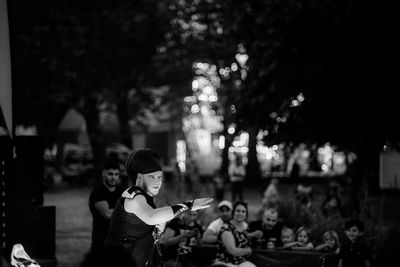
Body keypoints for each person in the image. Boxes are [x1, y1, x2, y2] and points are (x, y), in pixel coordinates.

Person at [104, 148, 213, 267]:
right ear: (140, 178)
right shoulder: (133, 196)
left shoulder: (146, 199)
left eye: (159, 177)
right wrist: (188, 205)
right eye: (152, 177)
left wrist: (156, 231)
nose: (157, 182)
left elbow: (148, 230)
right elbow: (152, 216)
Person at [88, 160, 123, 254]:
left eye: (116, 174)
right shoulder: (98, 192)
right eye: (110, 174)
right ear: (103, 173)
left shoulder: (121, 191)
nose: (113, 177)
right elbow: (107, 214)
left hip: (118, 240)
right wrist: (125, 210)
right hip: (101, 240)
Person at [212, 201, 255, 267]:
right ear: (233, 212)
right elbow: (233, 251)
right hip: (225, 263)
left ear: (246, 214)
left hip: (241, 262)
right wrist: (248, 250)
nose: (240, 213)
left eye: (243, 212)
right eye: (238, 211)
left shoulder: (245, 228)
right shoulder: (226, 228)